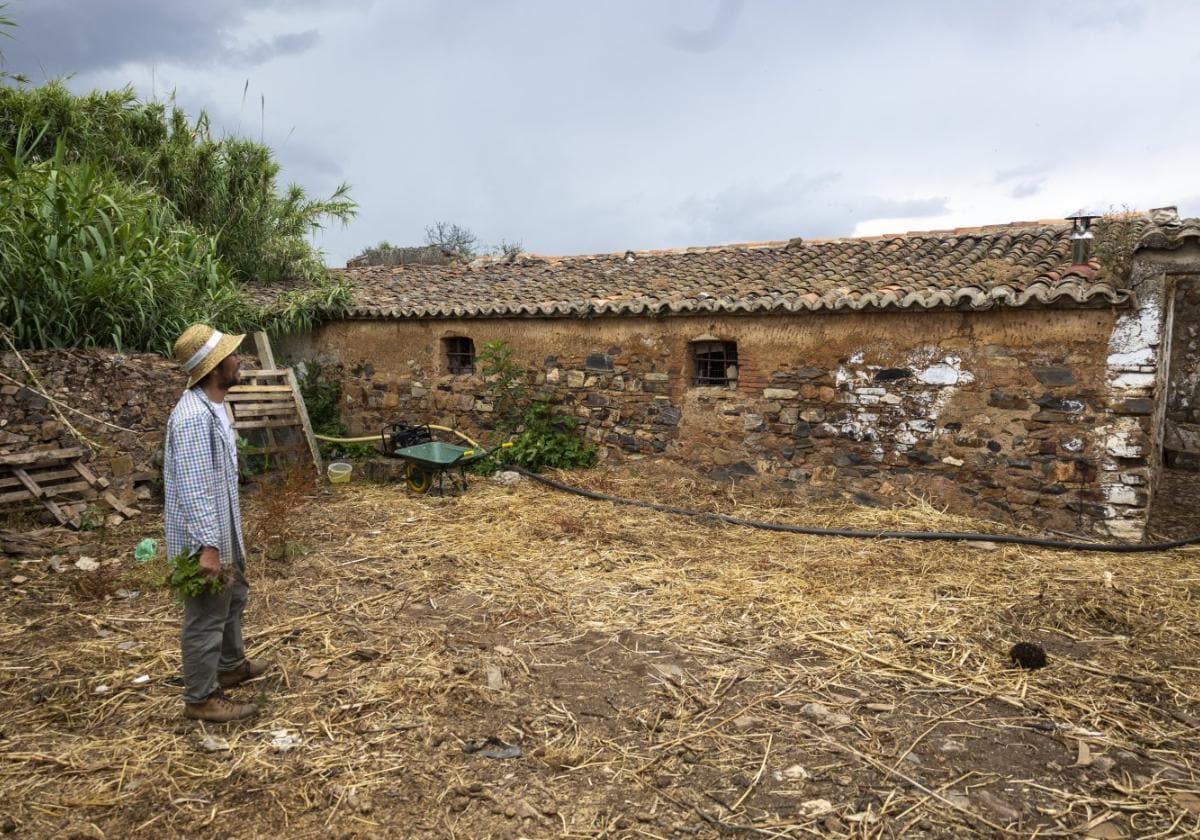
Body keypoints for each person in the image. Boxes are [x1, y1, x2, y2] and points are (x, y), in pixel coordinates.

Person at [164, 324, 268, 722]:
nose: (239, 360)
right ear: (213, 368)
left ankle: (230, 665)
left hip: (222, 531)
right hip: (203, 539)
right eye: (233, 356)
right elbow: (195, 489)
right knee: (206, 616)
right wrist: (209, 547)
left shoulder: (215, 407)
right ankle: (200, 698)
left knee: (233, 597)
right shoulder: (192, 418)